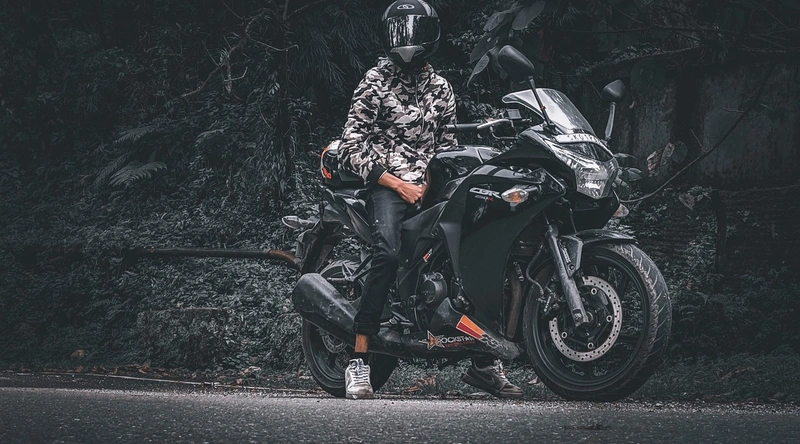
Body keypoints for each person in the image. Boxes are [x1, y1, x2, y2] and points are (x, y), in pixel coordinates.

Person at [337, 0, 524, 400]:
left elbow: (448, 146)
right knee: (387, 252)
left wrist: (435, 180)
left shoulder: (440, 88)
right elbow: (351, 146)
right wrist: (397, 183)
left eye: (414, 31)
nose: (406, 40)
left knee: (476, 248)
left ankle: (484, 362)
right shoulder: (374, 82)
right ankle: (359, 358)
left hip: (431, 184)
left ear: (431, 36)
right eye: (398, 31)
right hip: (386, 184)